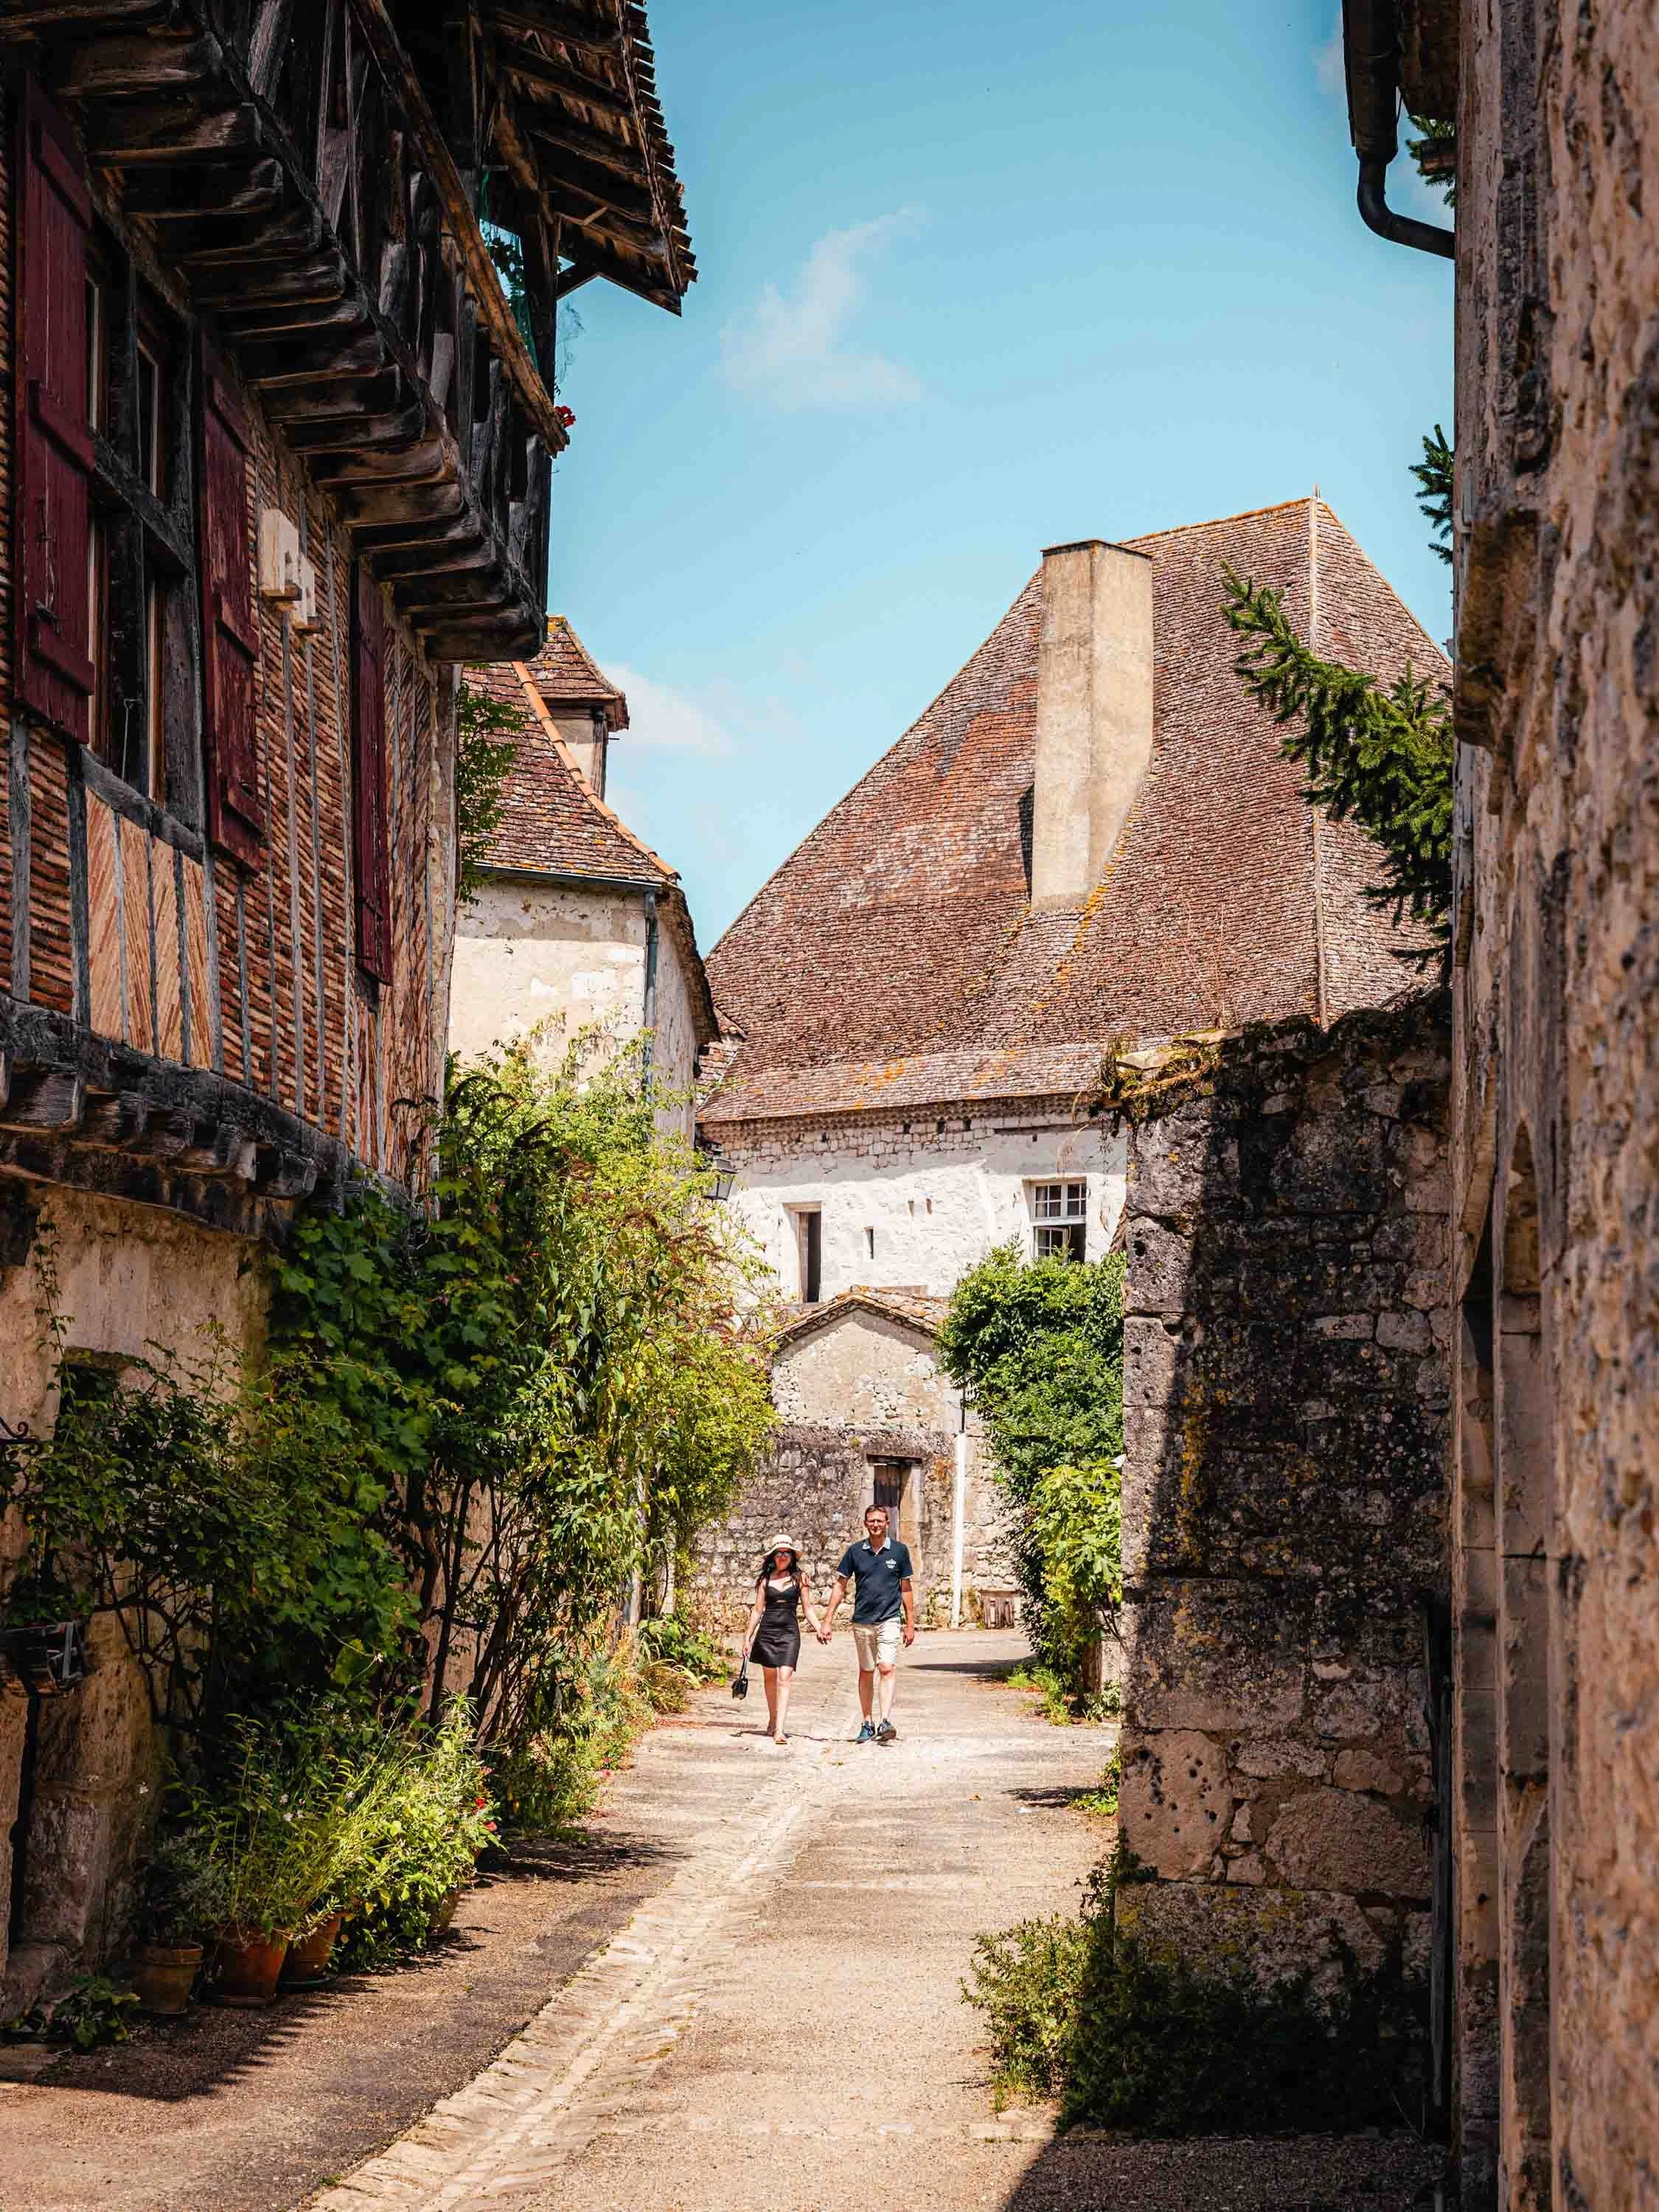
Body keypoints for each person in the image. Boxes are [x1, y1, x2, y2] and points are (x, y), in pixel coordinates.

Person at [817, 1503, 915, 1743]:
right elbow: (840, 1586)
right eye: (871, 1520)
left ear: (887, 1523)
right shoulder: (854, 1552)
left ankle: (885, 1721)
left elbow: (906, 1588)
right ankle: (867, 1722)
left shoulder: (900, 1552)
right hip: (862, 1621)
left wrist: (910, 1623)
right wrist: (827, 1620)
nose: (875, 1524)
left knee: (886, 1667)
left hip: (889, 1619)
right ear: (865, 1523)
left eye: (880, 1521)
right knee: (866, 1671)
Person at [741, 1534, 822, 1745]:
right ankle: (773, 1717)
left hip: (789, 1633)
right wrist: (747, 1637)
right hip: (767, 1632)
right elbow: (758, 1610)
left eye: (787, 1553)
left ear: (792, 1556)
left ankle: (780, 1730)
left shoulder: (800, 1578)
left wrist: (820, 1628)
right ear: (773, 1557)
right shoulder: (765, 1580)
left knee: (784, 1678)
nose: (783, 1556)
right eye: (780, 1553)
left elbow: (808, 1608)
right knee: (769, 1679)